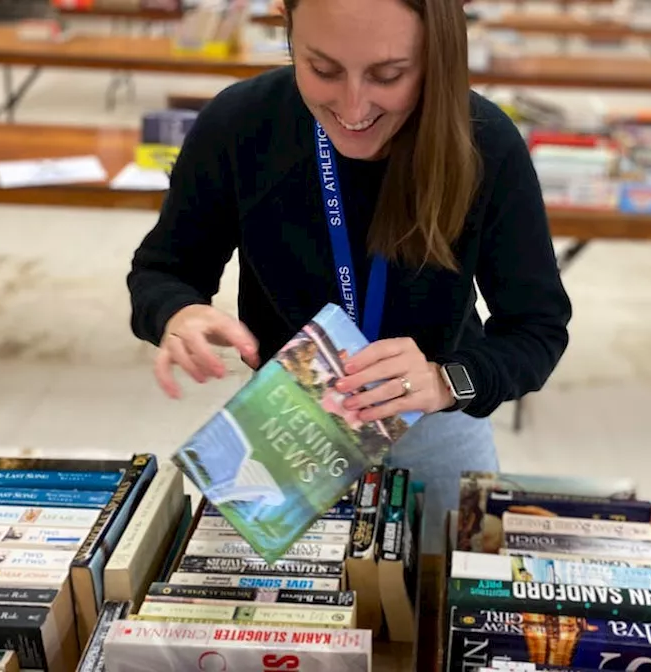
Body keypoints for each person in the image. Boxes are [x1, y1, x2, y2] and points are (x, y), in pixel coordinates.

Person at [127, 0, 572, 553]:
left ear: (437, 55)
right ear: (288, 30)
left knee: (442, 607)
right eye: (323, 69)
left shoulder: (484, 141)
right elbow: (162, 268)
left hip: (432, 421)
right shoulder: (242, 123)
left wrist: (447, 380)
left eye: (389, 75)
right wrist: (177, 312)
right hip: (285, 424)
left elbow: (537, 329)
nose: (353, 105)